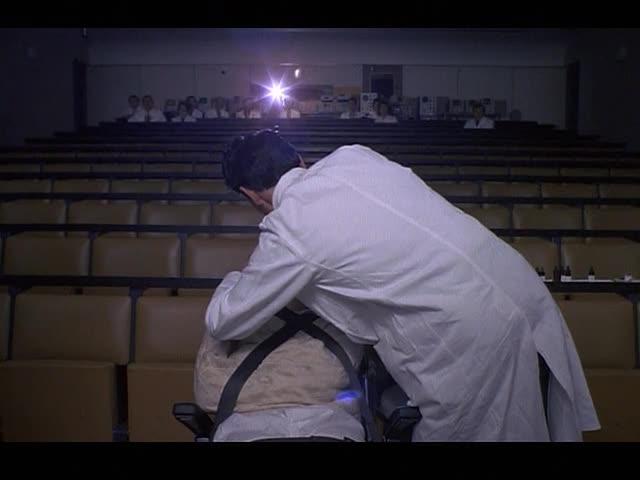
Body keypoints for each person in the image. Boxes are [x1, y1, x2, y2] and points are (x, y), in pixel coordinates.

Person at [206, 129, 600, 442]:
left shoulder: (290, 228)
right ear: (299, 160)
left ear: (250, 195)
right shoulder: (355, 156)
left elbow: (226, 320)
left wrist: (235, 278)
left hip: (470, 334)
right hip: (520, 288)